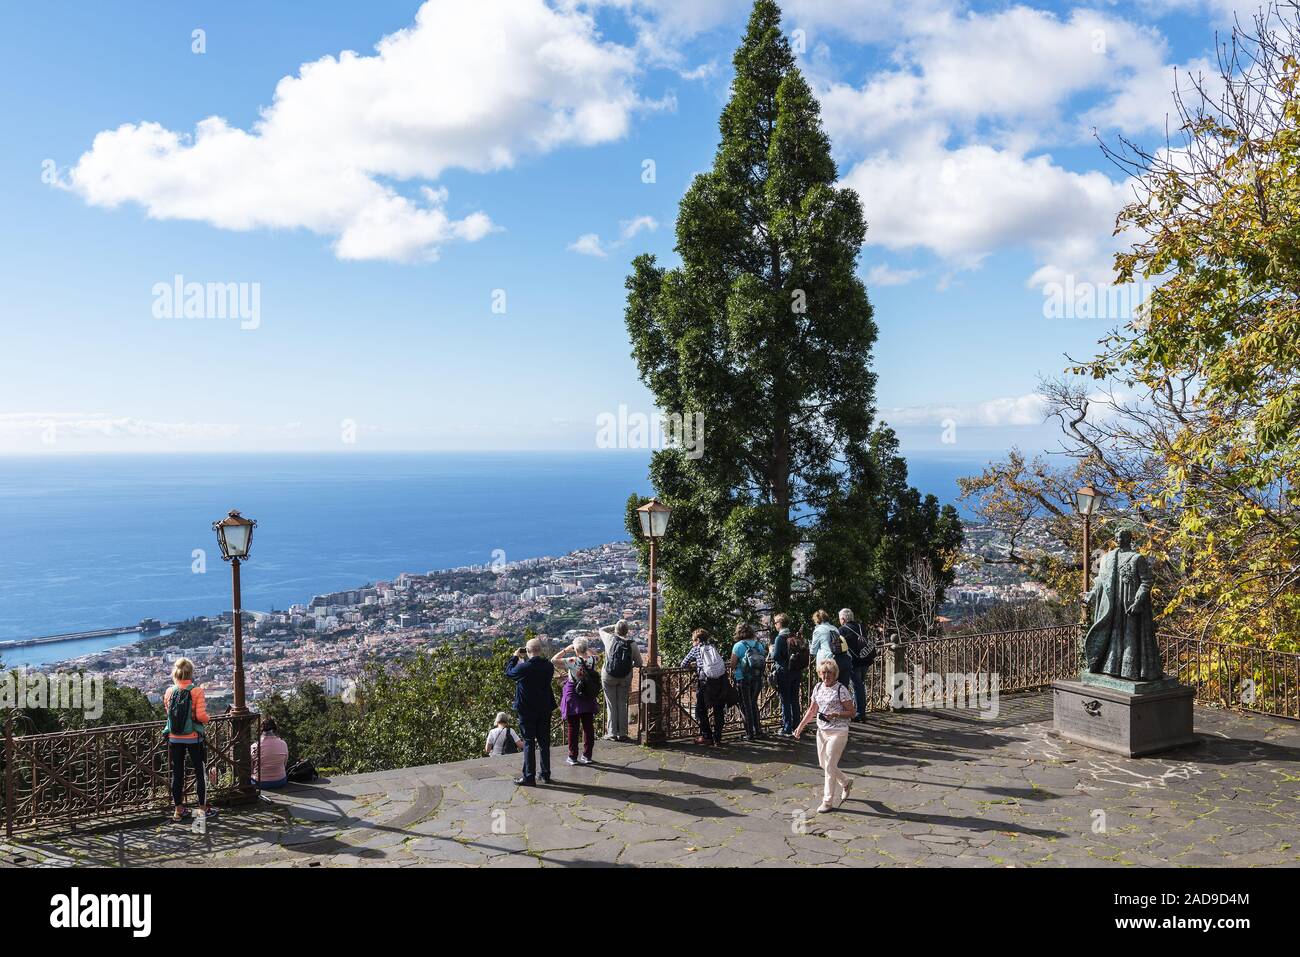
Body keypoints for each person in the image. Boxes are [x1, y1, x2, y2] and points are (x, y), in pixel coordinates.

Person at [793, 658, 856, 813]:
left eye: (829, 672)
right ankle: (846, 781)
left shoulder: (841, 689)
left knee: (829, 766)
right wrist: (800, 727)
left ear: (835, 674)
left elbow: (852, 712)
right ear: (819, 674)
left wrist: (837, 714)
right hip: (822, 730)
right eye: (823, 672)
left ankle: (827, 801)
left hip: (839, 731)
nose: (826, 675)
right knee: (823, 763)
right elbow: (812, 710)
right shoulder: (818, 687)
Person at [163, 657, 216, 823]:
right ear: (190, 673)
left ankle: (178, 810)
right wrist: (207, 718)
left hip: (174, 737)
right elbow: (200, 716)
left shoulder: (169, 692)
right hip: (193, 737)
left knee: (177, 774)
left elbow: (169, 713)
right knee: (200, 772)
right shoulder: (197, 691)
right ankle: (202, 809)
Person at [505, 638, 558, 785]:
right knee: (544, 742)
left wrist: (515, 657)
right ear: (540, 650)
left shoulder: (524, 668)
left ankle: (529, 776)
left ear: (528, 651)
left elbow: (509, 673)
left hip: (527, 710)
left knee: (528, 742)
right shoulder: (548, 666)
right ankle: (545, 774)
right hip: (544, 708)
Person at [552, 637, 601, 766]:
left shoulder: (573, 661)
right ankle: (587, 755)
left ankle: (573, 756)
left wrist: (565, 650)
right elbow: (598, 656)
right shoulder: (592, 659)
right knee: (588, 727)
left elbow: (553, 660)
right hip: (588, 694)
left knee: (573, 727)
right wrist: (586, 648)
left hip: (574, 694)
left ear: (576, 650)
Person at [681, 628, 728, 746]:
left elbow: (683, 664)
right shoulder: (712, 647)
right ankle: (718, 738)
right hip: (720, 682)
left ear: (697, 640)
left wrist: (695, 664)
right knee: (718, 710)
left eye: (693, 640)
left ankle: (707, 736)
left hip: (705, 683)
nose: (692, 642)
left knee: (701, 710)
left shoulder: (696, 649)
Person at [599, 619, 642, 742]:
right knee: (622, 704)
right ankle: (623, 733)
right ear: (627, 631)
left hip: (608, 676)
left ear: (616, 630)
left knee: (611, 705)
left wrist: (615, 626)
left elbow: (601, 629)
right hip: (625, 677)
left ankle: (612, 732)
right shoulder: (632, 644)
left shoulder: (609, 638)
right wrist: (629, 665)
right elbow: (639, 663)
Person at [770, 613, 807, 736]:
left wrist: (771, 650)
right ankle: (797, 725)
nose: (774, 625)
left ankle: (787, 727)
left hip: (784, 672)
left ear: (780, 624)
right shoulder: (793, 636)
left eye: (775, 623)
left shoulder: (780, 638)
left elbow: (775, 656)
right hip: (796, 671)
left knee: (785, 700)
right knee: (794, 699)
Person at [729, 622, 767, 740]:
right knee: (754, 703)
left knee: (746, 706)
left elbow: (733, 664)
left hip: (743, 679)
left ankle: (749, 733)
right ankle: (758, 730)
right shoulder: (758, 645)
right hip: (757, 679)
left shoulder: (738, 646)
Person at [838, 608, 872, 722]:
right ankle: (861, 711)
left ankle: (859, 713)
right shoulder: (861, 626)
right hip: (866, 659)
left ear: (843, 619)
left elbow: (841, 647)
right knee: (860, 685)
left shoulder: (842, 630)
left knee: (857, 686)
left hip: (854, 662)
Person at [810, 609, 854, 693]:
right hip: (844, 660)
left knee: (829, 690)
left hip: (829, 664)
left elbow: (813, 651)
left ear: (817, 620)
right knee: (843, 690)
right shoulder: (834, 628)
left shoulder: (818, 630)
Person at [251, 718, 290, 789]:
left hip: (260, 783)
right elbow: (285, 764)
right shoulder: (283, 744)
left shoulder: (255, 746)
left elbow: (251, 768)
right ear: (275, 729)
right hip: (281, 780)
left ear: (260, 730)